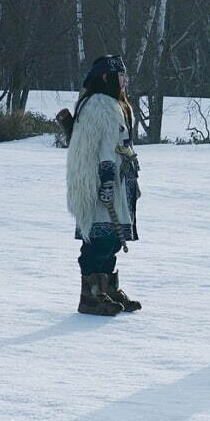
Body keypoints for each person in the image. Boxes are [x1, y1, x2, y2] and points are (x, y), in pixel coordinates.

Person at [66, 54, 142, 316]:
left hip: (117, 182)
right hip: (102, 182)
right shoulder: (100, 104)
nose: (124, 80)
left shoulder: (111, 104)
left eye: (124, 75)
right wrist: (107, 180)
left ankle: (107, 289)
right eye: (119, 75)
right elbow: (104, 148)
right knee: (98, 240)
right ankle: (90, 296)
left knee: (111, 239)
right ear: (105, 78)